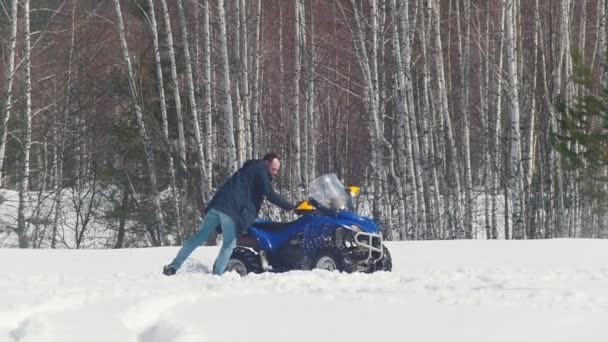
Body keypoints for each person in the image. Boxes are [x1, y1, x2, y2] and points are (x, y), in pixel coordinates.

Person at [163, 152, 295, 276]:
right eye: (273, 169)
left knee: (198, 238)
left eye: (276, 170)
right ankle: (217, 276)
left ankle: (173, 266)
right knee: (229, 245)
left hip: (216, 205)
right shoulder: (260, 169)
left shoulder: (248, 170)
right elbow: (270, 194)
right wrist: (291, 207)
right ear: (266, 163)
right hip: (230, 210)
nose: (275, 173)